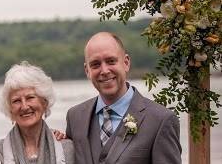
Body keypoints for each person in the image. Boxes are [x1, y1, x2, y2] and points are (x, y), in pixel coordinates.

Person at [66, 32, 182, 164]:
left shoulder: (161, 121)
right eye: (95, 64)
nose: (104, 71)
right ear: (87, 70)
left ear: (126, 63)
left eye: (111, 61)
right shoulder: (74, 117)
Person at [0, 61, 75, 164]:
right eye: (16, 101)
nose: (24, 106)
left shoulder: (66, 147)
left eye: (30, 98)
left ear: (44, 102)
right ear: (10, 109)